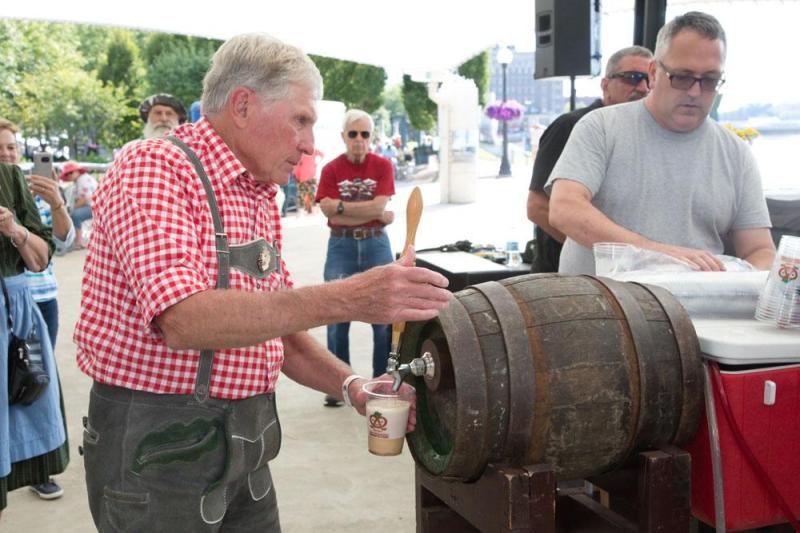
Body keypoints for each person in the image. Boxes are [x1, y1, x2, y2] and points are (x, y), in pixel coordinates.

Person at [74, 33, 451, 532]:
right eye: (301, 119)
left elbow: (280, 330)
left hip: (246, 446)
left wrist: (353, 385)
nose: (310, 144)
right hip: (155, 453)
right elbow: (183, 318)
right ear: (244, 105)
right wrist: (351, 297)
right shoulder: (154, 167)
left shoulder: (256, 192)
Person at [547, 11, 775, 275]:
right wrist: (659, 256)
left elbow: (759, 251)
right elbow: (565, 209)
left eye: (710, 80)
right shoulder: (601, 127)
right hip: (599, 309)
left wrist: (741, 281)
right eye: (682, 77)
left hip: (695, 312)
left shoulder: (737, 154)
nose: (695, 91)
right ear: (654, 73)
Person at [527, 45, 653, 272]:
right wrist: (593, 252)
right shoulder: (571, 126)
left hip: (626, 277)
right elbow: (537, 206)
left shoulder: (646, 135)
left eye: (649, 79)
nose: (642, 87)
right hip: (563, 280)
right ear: (605, 85)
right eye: (632, 78)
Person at [0, 119, 74, 500]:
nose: (7, 153)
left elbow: (63, 243)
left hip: (39, 301)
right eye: (1, 147)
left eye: (12, 147)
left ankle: (37, 466)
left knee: (32, 380)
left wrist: (56, 201)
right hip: (16, 299)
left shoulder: (31, 187)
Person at [316, 109, 396, 406]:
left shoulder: (383, 165)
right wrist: (373, 212)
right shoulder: (331, 169)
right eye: (353, 134)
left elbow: (378, 207)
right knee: (336, 317)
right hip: (342, 246)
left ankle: (380, 383)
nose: (359, 140)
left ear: (371, 137)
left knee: (385, 316)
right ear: (343, 137)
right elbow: (326, 208)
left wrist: (342, 209)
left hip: (376, 246)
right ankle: (340, 385)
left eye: (365, 134)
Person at [59, 162, 96, 249]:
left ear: (77, 171)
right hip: (92, 206)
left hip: (95, 207)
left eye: (71, 173)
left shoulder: (83, 180)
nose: (69, 175)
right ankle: (77, 240)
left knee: (74, 215)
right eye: (67, 174)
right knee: (73, 214)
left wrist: (71, 209)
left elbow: (84, 199)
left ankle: (78, 241)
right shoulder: (79, 180)